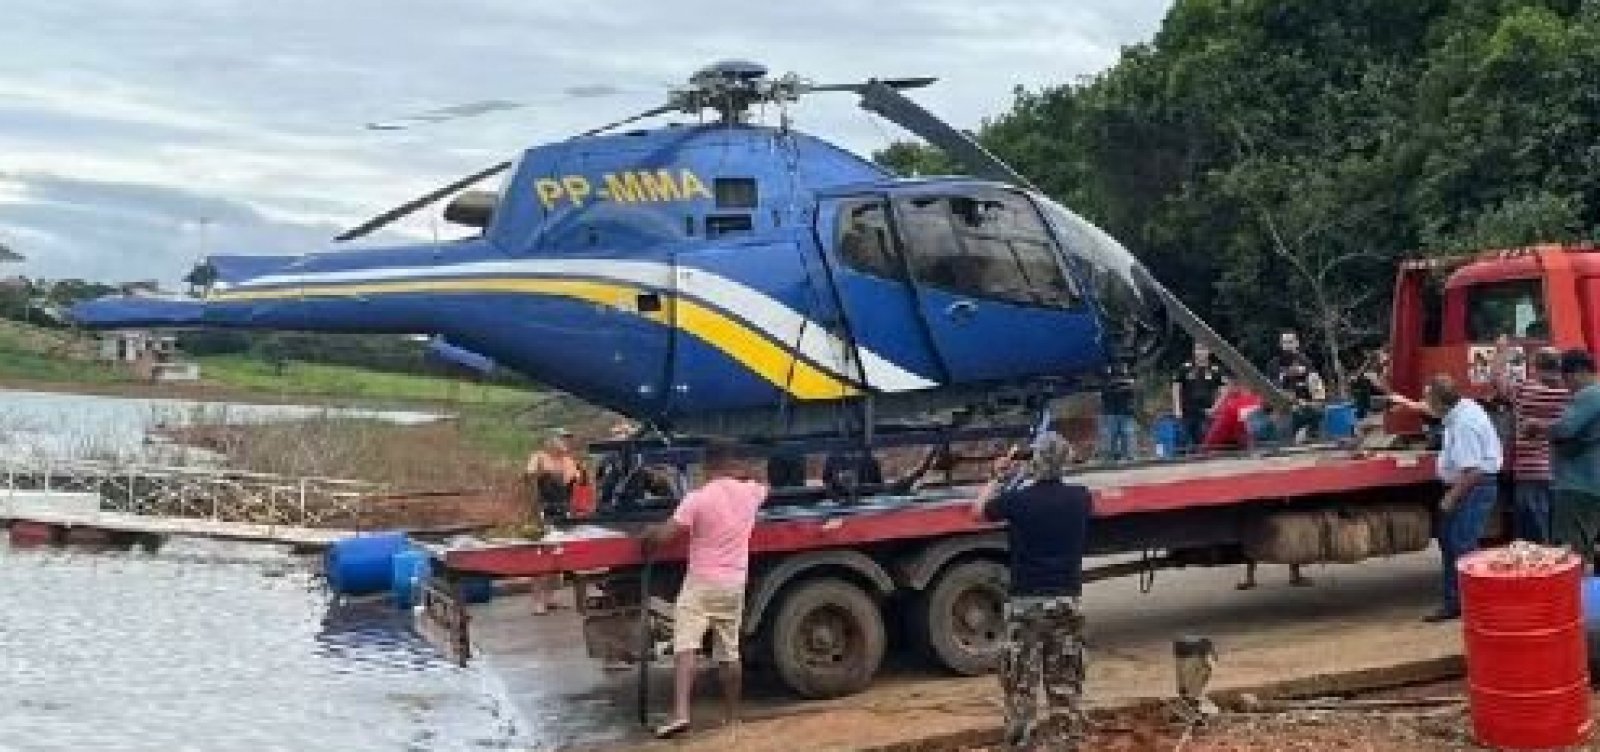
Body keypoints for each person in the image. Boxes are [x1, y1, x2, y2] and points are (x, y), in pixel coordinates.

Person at [971, 434, 1092, 751]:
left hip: (1026, 603)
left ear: (1035, 462)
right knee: (1065, 679)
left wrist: (998, 476)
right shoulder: (1081, 497)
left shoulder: (1018, 501)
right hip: (1066, 601)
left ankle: (1021, 740)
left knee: (1021, 680)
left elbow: (978, 510)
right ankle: (1065, 740)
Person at [641, 440, 769, 739]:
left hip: (701, 582)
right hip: (734, 583)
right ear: (732, 464)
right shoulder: (750, 494)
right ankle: (733, 717)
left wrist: (648, 536)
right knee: (729, 652)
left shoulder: (698, 499)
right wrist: (746, 472)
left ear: (707, 466)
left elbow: (666, 536)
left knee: (686, 647)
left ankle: (681, 714)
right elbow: (764, 482)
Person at [1400, 375, 1502, 622]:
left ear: (1440, 402)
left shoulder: (1464, 424)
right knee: (1452, 542)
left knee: (1462, 546)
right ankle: (1456, 602)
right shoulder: (1461, 409)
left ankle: (1475, 605)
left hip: (1472, 487)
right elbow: (1432, 409)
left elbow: (1474, 470)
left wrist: (1451, 498)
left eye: (1428, 399)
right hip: (1470, 485)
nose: (1426, 403)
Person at [1497, 343, 1570, 543]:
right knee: (1558, 532)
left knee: (1531, 537)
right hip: (1559, 471)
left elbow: (1498, 382)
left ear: (1534, 367)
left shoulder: (1525, 390)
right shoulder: (1568, 394)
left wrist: (1501, 352)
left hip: (1529, 472)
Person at [1549, 350, 1600, 570]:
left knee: (1573, 556)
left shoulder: (1590, 394)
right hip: (1593, 485)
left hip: (1577, 486)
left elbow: (1564, 428)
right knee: (1590, 549)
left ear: (1578, 372)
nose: (1566, 386)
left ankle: (1578, 602)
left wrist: (1543, 429)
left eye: (1566, 379)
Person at [525, 428, 581, 614]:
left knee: (558, 556)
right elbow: (529, 481)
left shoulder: (568, 461)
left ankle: (550, 598)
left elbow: (576, 486)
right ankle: (537, 601)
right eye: (562, 438)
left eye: (567, 439)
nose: (566, 442)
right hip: (543, 511)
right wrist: (533, 513)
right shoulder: (538, 457)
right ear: (549, 441)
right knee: (540, 557)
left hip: (563, 512)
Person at [1274, 331, 1327, 443]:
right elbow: (1272, 389)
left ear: (1297, 343)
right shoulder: (1274, 365)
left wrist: (1303, 404)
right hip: (1283, 411)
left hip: (1305, 412)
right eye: (1284, 342)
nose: (1287, 345)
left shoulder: (1308, 366)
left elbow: (1319, 401)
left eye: (1290, 342)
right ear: (1281, 345)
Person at [1172, 343, 1226, 451]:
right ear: (1194, 351)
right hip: (1187, 412)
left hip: (1206, 413)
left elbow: (1224, 391)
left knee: (1203, 443)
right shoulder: (1185, 367)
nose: (1200, 353)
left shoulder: (1215, 369)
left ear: (1209, 351)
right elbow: (1176, 387)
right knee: (1184, 442)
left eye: (1203, 349)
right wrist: (1177, 408)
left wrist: (1215, 408)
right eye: (1198, 349)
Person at [1098, 368, 1140, 462]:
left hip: (1123, 412)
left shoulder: (1127, 380)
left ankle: (1128, 455)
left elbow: (1133, 391)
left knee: (1126, 434)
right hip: (1112, 412)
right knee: (1113, 434)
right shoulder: (1106, 380)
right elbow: (1105, 392)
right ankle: (1113, 456)